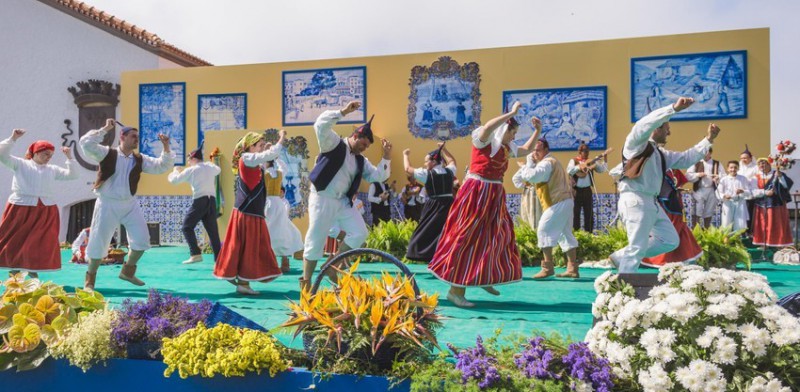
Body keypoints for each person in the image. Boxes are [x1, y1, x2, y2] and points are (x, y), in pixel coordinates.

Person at [428, 102, 539, 307]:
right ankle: (455, 291)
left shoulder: (505, 148)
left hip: (494, 194)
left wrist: (538, 131)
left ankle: (484, 277)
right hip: (477, 192)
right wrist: (511, 113)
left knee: (496, 235)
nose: (513, 137)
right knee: (467, 237)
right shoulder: (483, 140)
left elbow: (526, 149)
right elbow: (488, 127)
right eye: (512, 132)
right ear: (504, 129)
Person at [608, 97, 719, 273]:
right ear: (656, 128)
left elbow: (686, 159)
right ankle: (625, 286)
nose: (669, 133)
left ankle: (620, 257)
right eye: (667, 128)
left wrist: (708, 140)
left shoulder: (660, 153)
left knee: (670, 240)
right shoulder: (635, 145)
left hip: (651, 201)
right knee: (636, 247)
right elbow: (642, 125)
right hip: (635, 199)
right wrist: (673, 109)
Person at [301, 101, 391, 292]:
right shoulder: (333, 143)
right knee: (315, 240)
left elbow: (378, 176)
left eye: (367, 146)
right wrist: (343, 112)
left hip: (343, 202)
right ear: (356, 136)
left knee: (360, 232)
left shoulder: (361, 160)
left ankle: (332, 267)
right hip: (322, 197)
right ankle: (306, 283)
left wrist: (387, 156)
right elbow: (320, 125)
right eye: (363, 144)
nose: (364, 148)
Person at [79, 119, 174, 290]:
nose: (137, 139)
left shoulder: (140, 159)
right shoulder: (106, 153)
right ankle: (90, 280)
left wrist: (166, 146)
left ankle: (127, 271)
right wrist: (105, 128)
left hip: (130, 204)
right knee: (98, 242)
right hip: (107, 204)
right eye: (133, 136)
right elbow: (85, 144)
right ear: (122, 137)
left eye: (137, 137)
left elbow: (161, 166)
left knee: (142, 240)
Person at [214, 131, 285, 295]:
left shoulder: (252, 161)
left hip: (250, 211)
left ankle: (234, 275)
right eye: (258, 145)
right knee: (248, 246)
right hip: (248, 212)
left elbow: (266, 160)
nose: (261, 148)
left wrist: (265, 150)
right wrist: (281, 138)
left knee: (244, 246)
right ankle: (242, 283)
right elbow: (270, 154)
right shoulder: (246, 158)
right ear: (250, 146)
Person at [0, 129, 78, 277]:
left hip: (45, 209)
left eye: (51, 155)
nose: (49, 157)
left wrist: (69, 157)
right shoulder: (20, 164)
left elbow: (73, 175)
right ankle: (14, 272)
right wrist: (13, 138)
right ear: (35, 153)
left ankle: (32, 271)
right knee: (15, 240)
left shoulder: (52, 169)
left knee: (38, 242)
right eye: (45, 154)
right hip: (19, 207)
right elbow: (1, 154)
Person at [516, 133, 581, 279]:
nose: (534, 153)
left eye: (537, 150)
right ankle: (572, 268)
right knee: (565, 234)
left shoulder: (546, 163)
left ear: (546, 150)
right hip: (565, 201)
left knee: (543, 230)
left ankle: (547, 267)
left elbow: (533, 176)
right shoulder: (551, 161)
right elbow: (520, 179)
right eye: (533, 150)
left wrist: (528, 163)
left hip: (558, 202)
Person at [167, 142, 222, 264]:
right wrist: (208, 163)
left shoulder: (191, 170)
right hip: (211, 202)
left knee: (186, 227)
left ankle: (195, 253)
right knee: (213, 233)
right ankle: (219, 261)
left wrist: (175, 171)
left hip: (200, 200)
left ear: (193, 159)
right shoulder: (210, 167)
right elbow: (218, 169)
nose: (187, 163)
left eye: (188, 160)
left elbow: (174, 181)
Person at [404, 143, 457, 262]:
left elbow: (407, 169)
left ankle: (425, 256)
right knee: (446, 232)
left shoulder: (427, 174)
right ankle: (445, 257)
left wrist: (405, 155)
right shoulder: (449, 171)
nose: (425, 164)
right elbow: (452, 161)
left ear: (433, 161)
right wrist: (445, 150)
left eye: (426, 161)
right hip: (450, 205)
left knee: (424, 232)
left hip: (435, 205)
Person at [641, 167, 703, 267]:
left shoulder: (673, 168)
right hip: (662, 204)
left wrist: (676, 190)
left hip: (675, 204)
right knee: (667, 230)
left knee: (679, 228)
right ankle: (657, 260)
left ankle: (684, 258)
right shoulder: (654, 169)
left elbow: (681, 182)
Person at [265, 157, 304, 273]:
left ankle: (269, 263)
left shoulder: (264, 173)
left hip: (267, 203)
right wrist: (276, 158)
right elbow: (284, 167)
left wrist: (267, 155)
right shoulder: (279, 173)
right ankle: (285, 260)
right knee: (282, 229)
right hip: (278, 203)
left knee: (268, 230)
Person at [751, 158, 794, 248]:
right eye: (760, 164)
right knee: (763, 224)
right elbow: (753, 190)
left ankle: (779, 243)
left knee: (777, 224)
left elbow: (787, 185)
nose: (761, 166)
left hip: (776, 204)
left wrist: (780, 176)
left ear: (769, 164)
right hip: (761, 204)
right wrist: (765, 192)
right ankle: (764, 244)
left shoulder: (777, 174)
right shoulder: (756, 177)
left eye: (764, 164)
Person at [567, 142, 608, 232]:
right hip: (576, 191)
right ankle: (575, 234)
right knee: (575, 213)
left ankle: (589, 233)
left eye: (588, 151)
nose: (587, 153)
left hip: (587, 190)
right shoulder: (574, 161)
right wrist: (580, 166)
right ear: (580, 152)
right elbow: (569, 171)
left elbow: (602, 170)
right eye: (585, 151)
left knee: (589, 213)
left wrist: (604, 159)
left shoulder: (591, 162)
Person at [687, 148, 720, 228]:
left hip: (711, 189)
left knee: (709, 210)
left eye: (706, 152)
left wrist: (717, 178)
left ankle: (706, 229)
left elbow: (724, 176)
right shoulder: (696, 163)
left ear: (710, 153)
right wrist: (698, 175)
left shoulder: (716, 164)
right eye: (703, 153)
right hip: (699, 189)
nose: (705, 154)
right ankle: (696, 230)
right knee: (697, 210)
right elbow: (688, 175)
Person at [716, 160, 751, 232]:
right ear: (728, 169)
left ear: (738, 168)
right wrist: (724, 196)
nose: (733, 169)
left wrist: (742, 191)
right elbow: (718, 192)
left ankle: (738, 240)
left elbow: (749, 191)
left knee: (739, 224)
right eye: (731, 167)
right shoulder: (724, 179)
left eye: (735, 167)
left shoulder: (743, 178)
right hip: (728, 203)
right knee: (726, 223)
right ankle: (727, 241)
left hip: (740, 203)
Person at [512, 153, 543, 228]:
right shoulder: (527, 167)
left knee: (538, 213)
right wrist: (525, 186)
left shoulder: (540, 166)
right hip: (531, 193)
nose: (535, 158)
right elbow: (515, 179)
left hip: (538, 191)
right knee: (530, 212)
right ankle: (532, 232)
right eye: (533, 157)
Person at [738, 145, 758, 235]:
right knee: (741, 215)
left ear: (750, 158)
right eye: (742, 158)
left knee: (750, 214)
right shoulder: (739, 168)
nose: (743, 160)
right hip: (740, 196)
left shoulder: (755, 168)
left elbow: (756, 180)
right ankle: (742, 233)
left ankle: (750, 232)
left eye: (745, 158)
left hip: (750, 195)